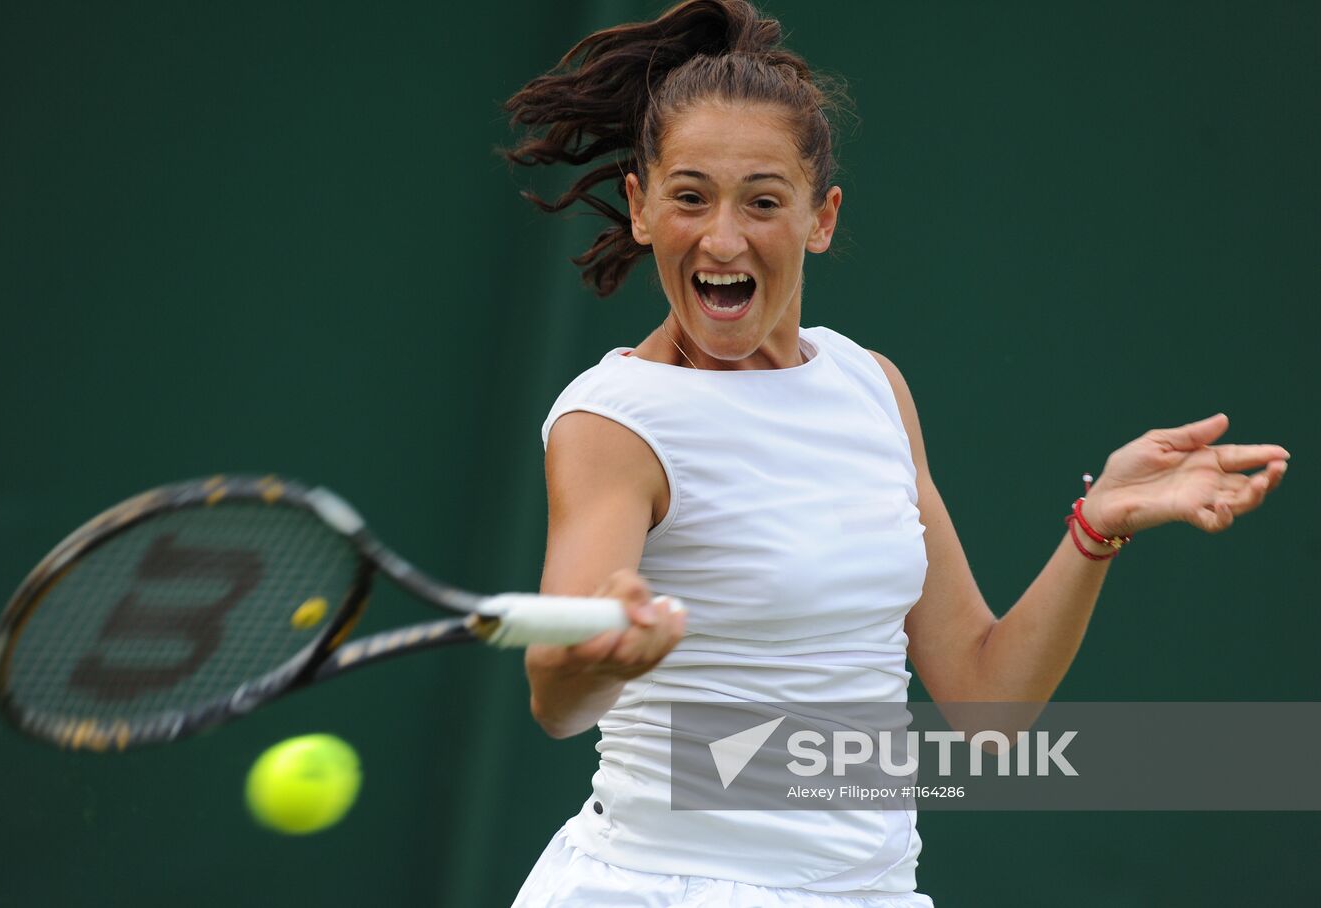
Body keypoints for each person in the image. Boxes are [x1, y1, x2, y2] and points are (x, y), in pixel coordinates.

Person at [500, 1, 1290, 905]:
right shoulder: (613, 422)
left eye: (763, 201)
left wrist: (1096, 525)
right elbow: (555, 702)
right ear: (642, 209)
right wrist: (598, 654)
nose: (723, 238)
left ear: (820, 217)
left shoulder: (870, 385)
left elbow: (989, 707)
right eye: (690, 196)